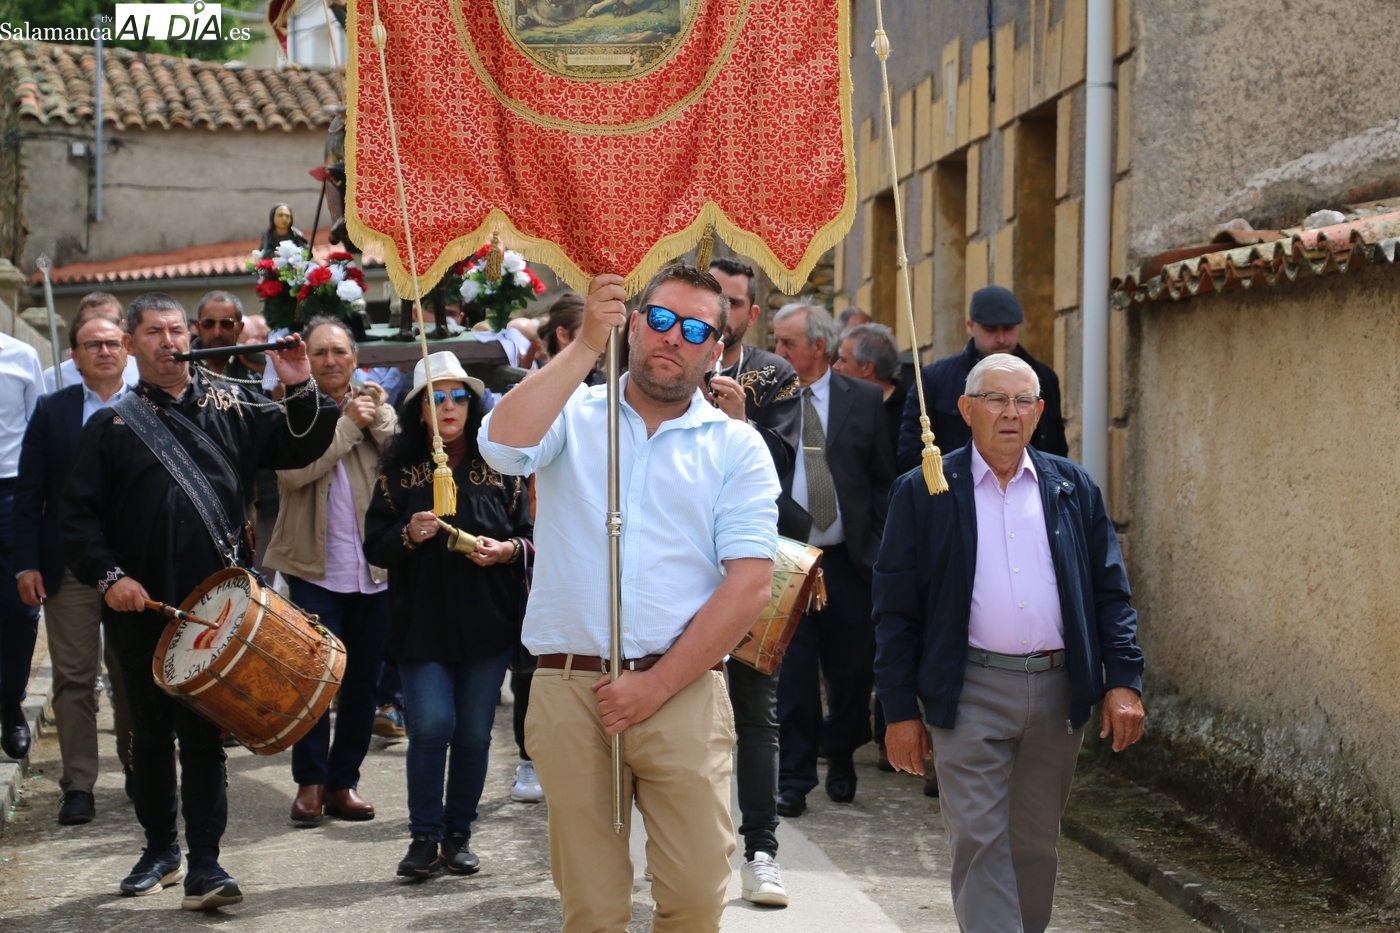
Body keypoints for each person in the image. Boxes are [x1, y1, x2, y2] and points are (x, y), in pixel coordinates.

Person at [480, 265, 779, 933]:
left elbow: (751, 583)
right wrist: (586, 344)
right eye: (662, 319)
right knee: (592, 908)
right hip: (570, 684)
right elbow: (501, 446)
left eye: (695, 329)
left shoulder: (736, 446)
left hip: (682, 686)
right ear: (636, 323)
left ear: (717, 350)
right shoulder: (573, 412)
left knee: (697, 895)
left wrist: (656, 685)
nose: (674, 337)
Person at [61, 292, 338, 910]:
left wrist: (300, 384)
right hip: (139, 607)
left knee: (204, 736)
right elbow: (76, 521)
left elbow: (300, 446)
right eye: (153, 333)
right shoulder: (110, 425)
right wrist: (111, 578)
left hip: (218, 604)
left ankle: (206, 865)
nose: (169, 342)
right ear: (130, 345)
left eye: (176, 331)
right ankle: (160, 849)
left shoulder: (235, 402)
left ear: (190, 337)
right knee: (150, 734)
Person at [876, 353, 1145, 933]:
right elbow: (894, 612)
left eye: (1023, 401)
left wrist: (1123, 681)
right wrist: (899, 711)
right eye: (996, 399)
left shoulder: (1071, 487)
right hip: (968, 688)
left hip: (1057, 689)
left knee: (1034, 842)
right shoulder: (925, 489)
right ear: (966, 409)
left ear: (1039, 412)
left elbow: (1110, 592)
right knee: (979, 838)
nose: (1010, 413)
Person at [364, 350, 532, 879]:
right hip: (421, 622)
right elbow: (375, 545)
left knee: (475, 733)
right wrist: (407, 535)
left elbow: (530, 536)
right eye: (435, 398)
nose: (449, 405)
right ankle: (423, 837)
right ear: (419, 411)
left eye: (459, 395)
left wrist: (506, 551)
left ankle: (458, 834)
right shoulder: (398, 472)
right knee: (432, 725)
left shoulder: (501, 466)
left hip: (488, 622)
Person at [264, 318, 398, 825]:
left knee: (363, 683)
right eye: (319, 352)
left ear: (354, 358)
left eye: (339, 351)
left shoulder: (374, 402)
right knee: (312, 681)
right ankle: (310, 782)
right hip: (314, 571)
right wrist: (345, 428)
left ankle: (344, 782)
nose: (330, 360)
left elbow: (404, 457)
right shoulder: (290, 412)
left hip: (373, 572)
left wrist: (372, 419)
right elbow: (292, 472)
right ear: (307, 360)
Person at [771, 302, 894, 815]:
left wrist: (879, 546)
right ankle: (794, 778)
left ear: (818, 347)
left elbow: (883, 478)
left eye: (787, 343)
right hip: (789, 557)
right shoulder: (767, 398)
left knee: (851, 672)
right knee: (794, 677)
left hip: (849, 560)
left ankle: (841, 752)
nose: (777, 351)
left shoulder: (862, 399)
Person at [705, 256, 801, 906]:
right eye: (712, 297)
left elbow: (788, 471)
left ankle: (761, 849)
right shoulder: (671, 359)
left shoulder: (773, 375)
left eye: (734, 302)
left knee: (756, 712)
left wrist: (743, 423)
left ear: (751, 312)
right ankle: (688, 844)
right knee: (679, 707)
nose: (722, 311)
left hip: (749, 564)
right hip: (681, 565)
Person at [15, 315, 134, 824]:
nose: (103, 351)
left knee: (132, 674)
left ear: (126, 349)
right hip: (68, 566)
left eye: (111, 343)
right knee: (73, 677)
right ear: (75, 356)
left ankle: (140, 768)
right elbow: (29, 494)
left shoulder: (148, 405)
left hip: (135, 567)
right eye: (92, 344)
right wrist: (25, 563)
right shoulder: (52, 410)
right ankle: (79, 785)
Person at [896, 285, 1067, 474]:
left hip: (1030, 485)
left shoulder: (1045, 377)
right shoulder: (934, 379)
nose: (1001, 338)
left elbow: (1056, 449)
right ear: (971, 326)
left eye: (1008, 329)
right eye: (990, 330)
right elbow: (911, 455)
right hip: (953, 488)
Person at [0, 329, 43, 762]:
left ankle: (10, 700)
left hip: (13, 493)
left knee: (20, 609)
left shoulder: (20, 355)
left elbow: (38, 432)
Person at [43, 292, 141, 393]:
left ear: (123, 325)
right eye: (90, 320)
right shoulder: (54, 379)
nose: (100, 325)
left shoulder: (142, 373)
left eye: (110, 320)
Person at [834, 322, 906, 455]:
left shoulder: (909, 410)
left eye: (843, 360)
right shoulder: (837, 403)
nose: (835, 367)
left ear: (867, 368)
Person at [193, 291, 260, 384]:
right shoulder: (181, 366)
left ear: (240, 328)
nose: (217, 333)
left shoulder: (254, 368)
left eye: (226, 324)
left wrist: (268, 372)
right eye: (208, 323)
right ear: (197, 326)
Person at [541, 291, 605, 386]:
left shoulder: (609, 387)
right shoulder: (536, 386)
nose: (602, 350)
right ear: (563, 335)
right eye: (591, 336)